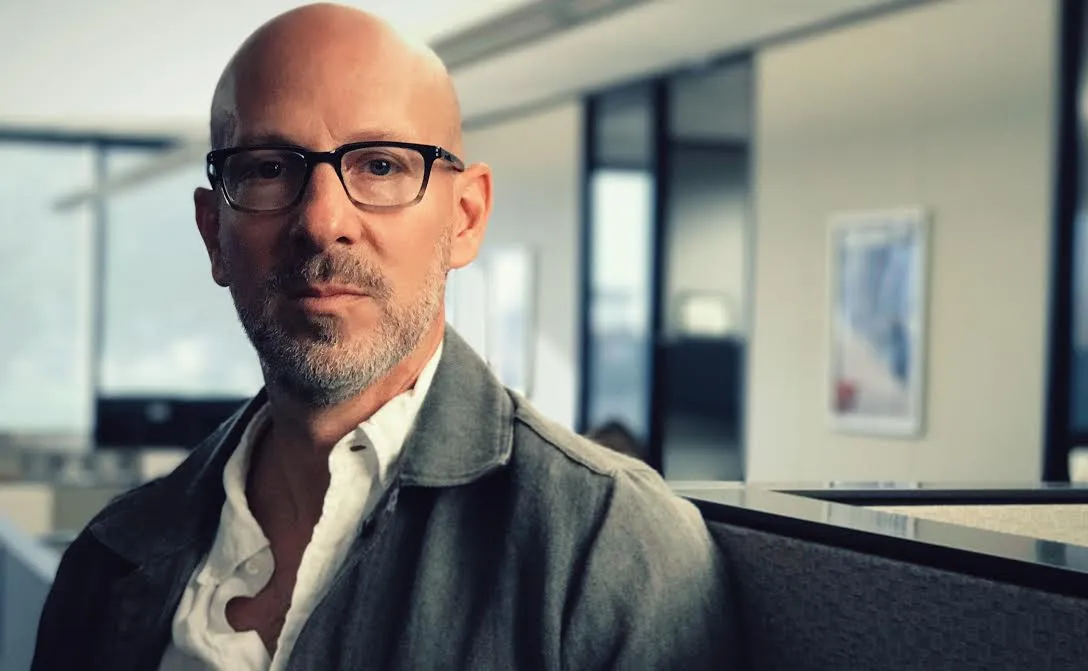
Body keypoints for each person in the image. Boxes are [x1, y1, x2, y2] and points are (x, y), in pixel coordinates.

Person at [31, 4, 735, 670]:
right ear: (215, 233)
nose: (322, 222)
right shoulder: (110, 561)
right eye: (269, 168)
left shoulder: (610, 549)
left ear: (465, 218)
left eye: (381, 165)